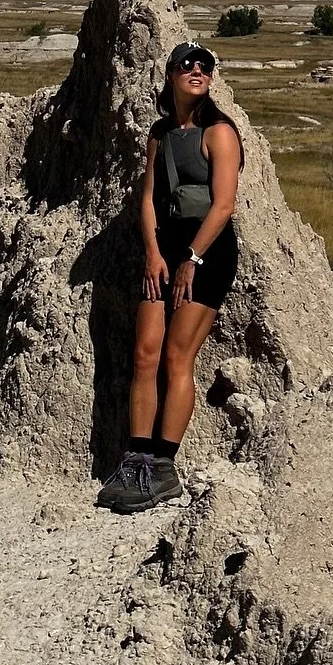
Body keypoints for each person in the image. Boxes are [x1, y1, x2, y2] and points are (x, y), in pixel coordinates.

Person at [97, 39, 243, 513]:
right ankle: (135, 458)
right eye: (187, 64)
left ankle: (163, 467)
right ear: (171, 75)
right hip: (166, 250)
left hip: (210, 252)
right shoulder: (159, 134)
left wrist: (191, 259)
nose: (197, 70)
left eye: (205, 65)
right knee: (144, 353)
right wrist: (154, 254)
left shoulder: (219, 133)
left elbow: (223, 205)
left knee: (177, 358)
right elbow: (147, 199)